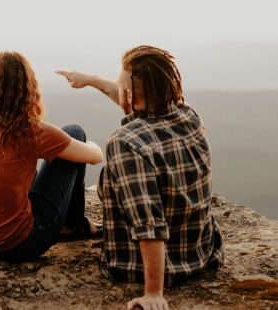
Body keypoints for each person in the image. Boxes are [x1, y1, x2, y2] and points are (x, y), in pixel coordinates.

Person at [57, 45, 224, 310]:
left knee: (111, 175)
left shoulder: (126, 142)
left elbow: (149, 222)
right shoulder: (188, 115)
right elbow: (134, 100)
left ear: (130, 94)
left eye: (121, 84)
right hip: (201, 252)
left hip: (145, 266)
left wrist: (154, 293)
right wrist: (90, 80)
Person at [0, 51, 103, 262]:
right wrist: (87, 145)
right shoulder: (31, 131)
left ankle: (70, 225)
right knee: (74, 131)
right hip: (18, 245)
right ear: (26, 87)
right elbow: (96, 157)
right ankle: (73, 225)